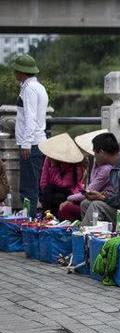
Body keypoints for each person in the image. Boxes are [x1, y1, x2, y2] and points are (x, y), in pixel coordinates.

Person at [13, 54, 48, 217]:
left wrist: (26, 143)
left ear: (21, 72)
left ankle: (29, 221)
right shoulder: (38, 87)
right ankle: (34, 220)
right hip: (37, 142)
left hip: (32, 144)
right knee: (35, 186)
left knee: (29, 188)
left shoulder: (29, 89)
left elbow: (30, 117)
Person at [59, 130, 113, 221]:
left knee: (66, 208)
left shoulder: (106, 169)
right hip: (90, 198)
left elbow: (89, 191)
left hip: (98, 200)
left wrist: (69, 198)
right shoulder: (95, 164)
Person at [38, 133, 85, 217]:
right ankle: (47, 217)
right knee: (48, 190)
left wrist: (54, 166)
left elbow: (63, 184)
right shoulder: (49, 158)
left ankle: (55, 217)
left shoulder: (75, 165)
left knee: (57, 196)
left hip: (71, 192)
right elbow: (44, 180)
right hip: (52, 190)